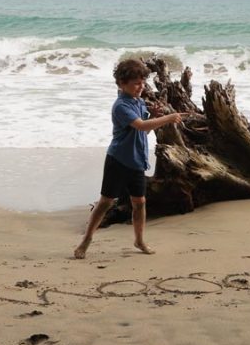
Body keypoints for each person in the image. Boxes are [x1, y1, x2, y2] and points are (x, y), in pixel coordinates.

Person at [74, 59, 183, 260]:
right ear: (121, 84)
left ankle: (139, 240)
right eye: (135, 83)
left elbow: (145, 128)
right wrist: (166, 118)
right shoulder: (121, 106)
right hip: (118, 159)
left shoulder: (138, 102)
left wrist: (154, 116)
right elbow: (140, 125)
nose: (140, 87)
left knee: (139, 202)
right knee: (105, 202)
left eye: (142, 82)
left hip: (136, 160)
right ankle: (87, 239)